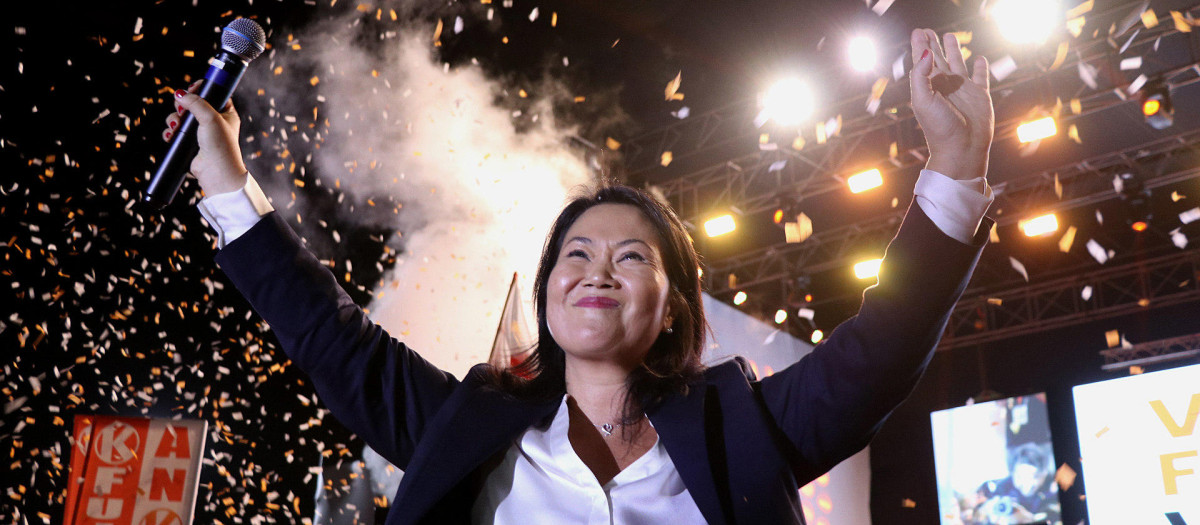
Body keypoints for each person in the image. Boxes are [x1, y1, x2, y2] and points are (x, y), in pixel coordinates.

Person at [163, 29, 994, 524]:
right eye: (577, 255)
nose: (599, 271)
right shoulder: (465, 428)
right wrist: (228, 183)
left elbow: (882, 347)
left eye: (632, 256)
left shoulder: (742, 430)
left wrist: (956, 166)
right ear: (549, 292)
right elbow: (329, 337)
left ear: (672, 307)